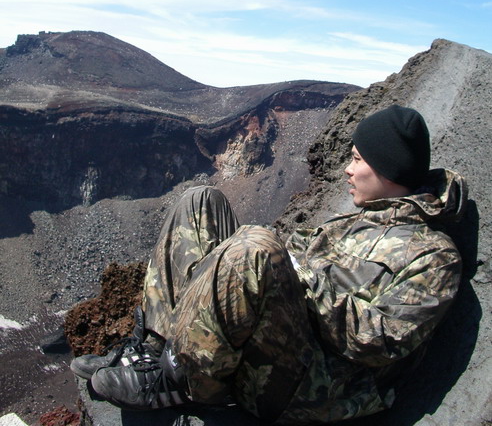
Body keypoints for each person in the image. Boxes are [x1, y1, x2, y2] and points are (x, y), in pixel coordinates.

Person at [70, 105, 467, 424]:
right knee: (201, 202)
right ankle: (154, 352)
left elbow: (381, 341)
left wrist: (294, 269)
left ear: (388, 169)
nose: (347, 168)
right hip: (277, 343)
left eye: (358, 159)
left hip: (312, 388)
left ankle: (185, 378)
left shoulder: (434, 257)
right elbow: (288, 255)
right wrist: (265, 257)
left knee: (257, 246)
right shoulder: (354, 222)